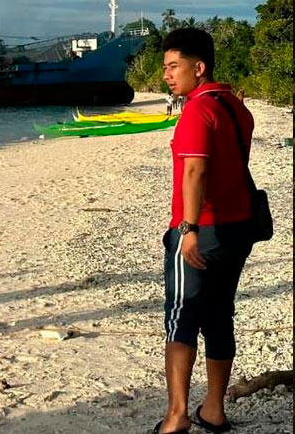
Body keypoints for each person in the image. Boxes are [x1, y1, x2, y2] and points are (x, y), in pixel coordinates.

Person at [155, 28, 256, 434]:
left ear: (199, 68)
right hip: (239, 227)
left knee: (181, 316)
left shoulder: (197, 109)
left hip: (204, 228)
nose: (166, 74)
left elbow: (196, 170)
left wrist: (189, 228)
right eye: (164, 67)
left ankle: (177, 416)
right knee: (219, 315)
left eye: (173, 66)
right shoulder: (235, 105)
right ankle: (214, 410)